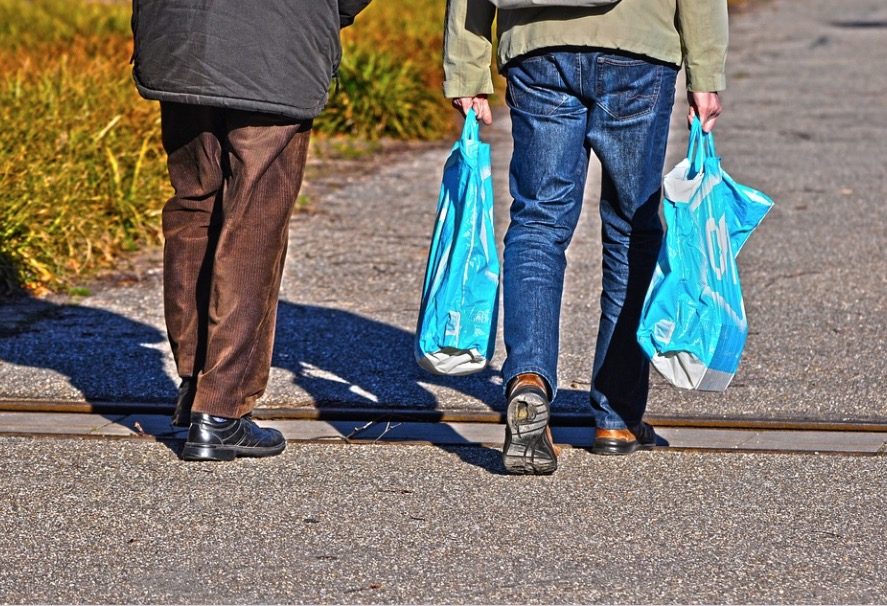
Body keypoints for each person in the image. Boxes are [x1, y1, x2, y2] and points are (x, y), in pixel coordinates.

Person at [443, 0, 728, 474]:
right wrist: (705, 69)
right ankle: (617, 417)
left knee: (538, 222)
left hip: (537, 44)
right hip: (637, 44)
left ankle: (529, 380)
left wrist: (466, 66)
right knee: (631, 229)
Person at [132, 0, 371, 461]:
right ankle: (220, 411)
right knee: (254, 223)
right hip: (274, 45)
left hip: (178, 38)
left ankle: (193, 387)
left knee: (193, 209)